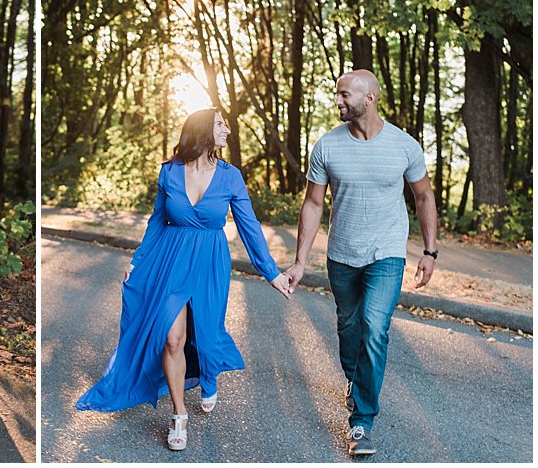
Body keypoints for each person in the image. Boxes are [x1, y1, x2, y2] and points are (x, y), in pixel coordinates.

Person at [75, 108, 292, 451]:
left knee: (205, 337)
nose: (228, 130)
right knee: (173, 339)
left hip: (209, 262)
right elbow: (157, 220)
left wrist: (272, 273)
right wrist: (138, 260)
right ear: (203, 131)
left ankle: (208, 377)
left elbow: (249, 227)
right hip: (170, 261)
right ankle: (179, 415)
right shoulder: (170, 172)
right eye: (221, 124)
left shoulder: (231, 176)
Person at [285, 69, 438, 457]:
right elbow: (314, 203)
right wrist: (300, 260)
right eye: (337, 94)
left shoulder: (404, 145)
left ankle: (361, 421)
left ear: (369, 98)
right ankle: (355, 379)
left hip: (387, 254)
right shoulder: (326, 147)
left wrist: (429, 250)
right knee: (349, 326)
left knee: (374, 328)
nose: (337, 101)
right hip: (342, 255)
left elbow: (423, 196)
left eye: (344, 95)